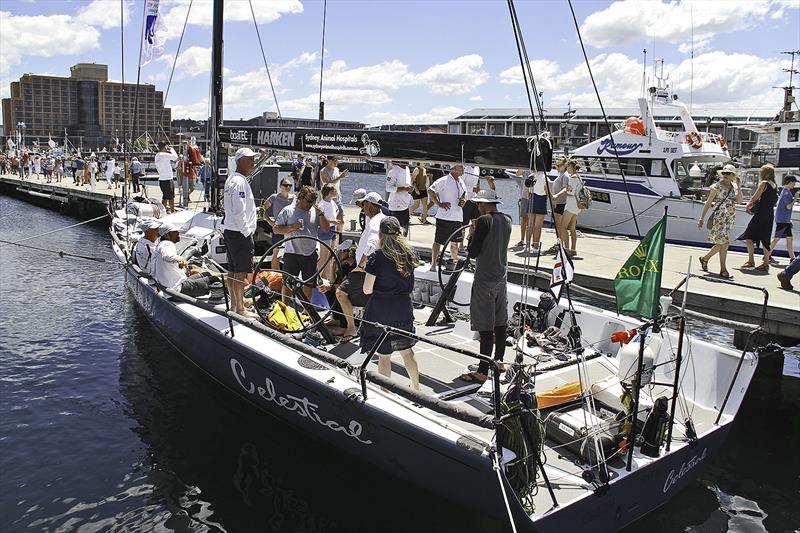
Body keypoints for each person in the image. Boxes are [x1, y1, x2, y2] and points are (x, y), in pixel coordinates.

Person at [457, 190, 512, 383]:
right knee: (500, 321)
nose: (478, 207)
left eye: (479, 204)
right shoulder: (507, 220)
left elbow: (473, 252)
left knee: (485, 324)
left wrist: (471, 234)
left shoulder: (483, 221)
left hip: (484, 279)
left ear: (483, 204)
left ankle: (482, 371)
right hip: (501, 277)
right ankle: (498, 360)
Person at [360, 216, 421, 390]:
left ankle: (385, 392)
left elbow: (367, 289)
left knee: (384, 354)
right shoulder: (410, 253)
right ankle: (416, 388)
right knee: (407, 351)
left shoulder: (376, 258)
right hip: (402, 307)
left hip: (381, 308)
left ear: (381, 234)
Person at [333, 191, 385, 340]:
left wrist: (360, 266)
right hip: (375, 268)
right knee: (368, 298)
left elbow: (371, 245)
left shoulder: (374, 222)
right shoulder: (379, 219)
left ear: (369, 204)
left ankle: (350, 328)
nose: (362, 208)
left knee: (340, 292)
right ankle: (367, 327)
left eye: (363, 204)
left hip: (365, 269)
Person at [273, 185, 330, 303]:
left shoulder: (316, 211)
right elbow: (276, 229)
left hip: (310, 254)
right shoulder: (288, 210)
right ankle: (285, 308)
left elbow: (326, 229)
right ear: (301, 198)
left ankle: (306, 312)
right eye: (309, 201)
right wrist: (291, 227)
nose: (311, 204)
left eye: (313, 202)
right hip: (292, 253)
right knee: (288, 284)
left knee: (309, 285)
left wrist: (321, 214)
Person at [222, 147, 259, 317]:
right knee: (240, 272)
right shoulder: (239, 182)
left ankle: (234, 305)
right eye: (249, 159)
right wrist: (247, 232)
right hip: (239, 233)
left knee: (232, 269)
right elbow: (239, 210)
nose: (252, 162)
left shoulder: (231, 179)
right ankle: (240, 309)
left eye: (253, 159)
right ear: (239, 161)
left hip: (231, 230)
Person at [698, 163, 743, 279]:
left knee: (721, 243)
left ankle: (705, 259)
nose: (725, 175)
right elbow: (708, 203)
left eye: (728, 173)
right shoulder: (716, 186)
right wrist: (702, 218)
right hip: (720, 217)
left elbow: (738, 201)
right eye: (724, 173)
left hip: (729, 218)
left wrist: (739, 186)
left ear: (733, 175)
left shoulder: (733, 187)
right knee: (724, 243)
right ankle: (723, 269)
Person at [152, 223, 220, 296]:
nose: (178, 233)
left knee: (207, 274)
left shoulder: (159, 246)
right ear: (166, 235)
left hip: (176, 284)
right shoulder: (167, 244)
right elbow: (167, 256)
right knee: (214, 279)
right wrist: (181, 259)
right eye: (175, 232)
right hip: (177, 290)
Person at [737, 164, 778, 271]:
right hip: (769, 214)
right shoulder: (774, 185)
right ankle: (765, 264)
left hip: (761, 214)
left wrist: (748, 205)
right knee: (765, 238)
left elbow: (755, 196)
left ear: (764, 173)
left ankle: (751, 261)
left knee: (749, 235)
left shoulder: (764, 183)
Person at [428, 163, 467, 271]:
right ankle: (433, 264)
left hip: (457, 216)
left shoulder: (461, 181)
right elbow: (431, 190)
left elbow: (464, 196)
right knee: (438, 241)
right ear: (454, 169)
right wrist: (439, 203)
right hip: (444, 216)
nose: (463, 168)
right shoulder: (444, 180)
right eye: (461, 167)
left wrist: (463, 202)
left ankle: (454, 262)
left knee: (455, 243)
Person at [262, 177, 296, 270]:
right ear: (281, 186)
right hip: (279, 229)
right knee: (276, 256)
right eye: (285, 185)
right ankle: (275, 277)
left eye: (290, 185)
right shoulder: (274, 197)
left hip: (291, 230)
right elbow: (262, 209)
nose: (288, 187)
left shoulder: (294, 198)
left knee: (291, 256)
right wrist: (270, 221)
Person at [552, 158, 584, 258]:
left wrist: (557, 195)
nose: (567, 168)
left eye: (568, 166)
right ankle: (573, 249)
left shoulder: (573, 178)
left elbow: (569, 191)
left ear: (571, 167)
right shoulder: (579, 177)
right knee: (572, 228)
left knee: (563, 227)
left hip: (570, 205)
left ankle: (566, 249)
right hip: (576, 206)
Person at [769, 174, 798, 262]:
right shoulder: (786, 193)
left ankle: (792, 258)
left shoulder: (785, 192)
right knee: (776, 239)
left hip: (784, 220)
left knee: (789, 239)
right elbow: (788, 207)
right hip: (783, 220)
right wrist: (795, 198)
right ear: (789, 182)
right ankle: (767, 255)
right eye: (793, 183)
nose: (794, 185)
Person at [545, 156, 570, 254]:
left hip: (562, 203)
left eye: (560, 165)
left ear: (565, 165)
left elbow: (566, 189)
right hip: (558, 202)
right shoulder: (561, 175)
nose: (558, 167)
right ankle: (559, 244)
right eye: (556, 165)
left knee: (561, 226)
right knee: (558, 226)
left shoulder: (565, 176)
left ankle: (561, 246)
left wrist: (556, 196)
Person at [317, 183, 341, 281]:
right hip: (324, 230)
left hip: (333, 229)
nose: (336, 192)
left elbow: (336, 211)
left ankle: (325, 278)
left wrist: (334, 220)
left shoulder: (332, 202)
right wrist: (332, 221)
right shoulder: (321, 205)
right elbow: (320, 219)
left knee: (330, 256)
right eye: (334, 190)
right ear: (329, 192)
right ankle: (317, 276)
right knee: (323, 257)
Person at [386, 161, 414, 233]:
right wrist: (404, 189)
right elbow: (388, 188)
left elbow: (407, 184)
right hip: (396, 207)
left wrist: (410, 190)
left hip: (405, 205)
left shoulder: (407, 169)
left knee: (404, 233)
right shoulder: (394, 171)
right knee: (396, 233)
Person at [155, 142, 179, 213]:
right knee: (170, 197)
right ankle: (172, 211)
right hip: (167, 179)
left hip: (162, 179)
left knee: (165, 196)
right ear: (163, 147)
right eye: (166, 146)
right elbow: (175, 157)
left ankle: (163, 211)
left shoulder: (157, 155)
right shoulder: (163, 155)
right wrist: (172, 149)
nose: (167, 148)